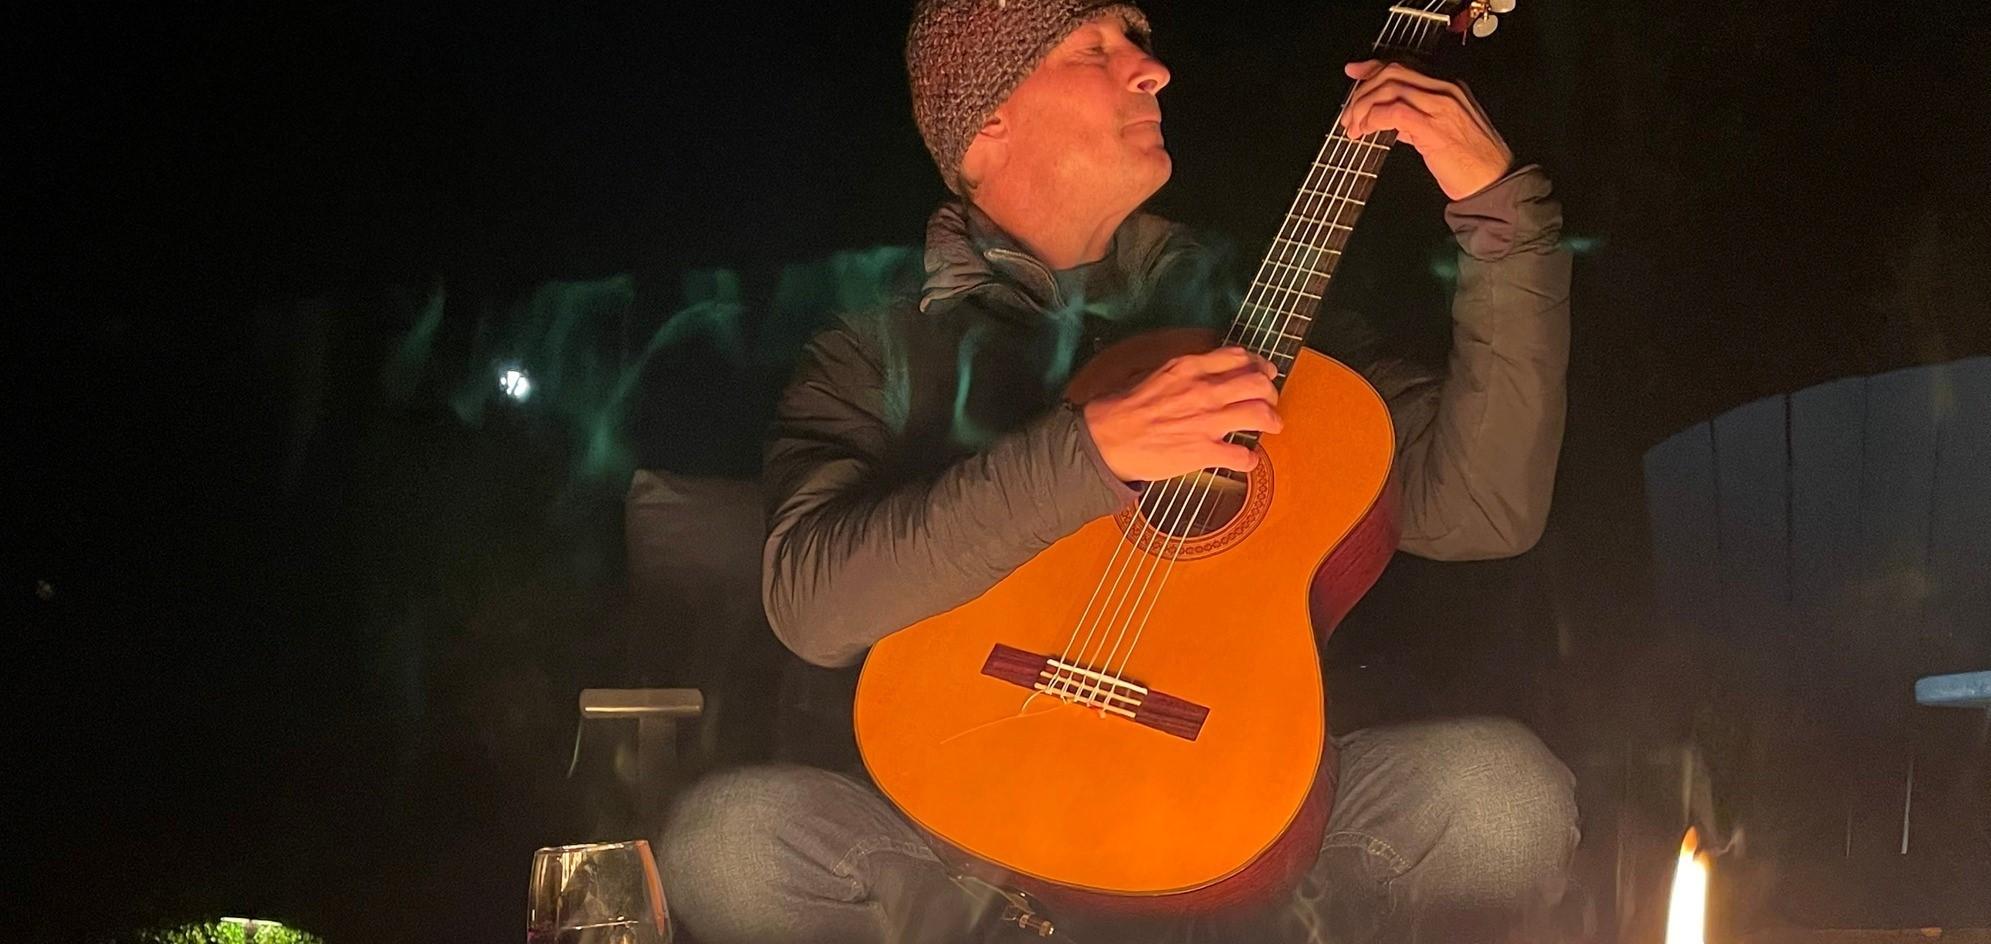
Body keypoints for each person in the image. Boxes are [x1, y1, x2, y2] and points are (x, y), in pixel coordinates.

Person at [657, 1, 1576, 941]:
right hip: (952, 841)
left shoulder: (1259, 315)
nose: (1152, 68)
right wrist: (1089, 454)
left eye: (1138, 42)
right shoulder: (876, 348)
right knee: (735, 837)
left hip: (1251, 825)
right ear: (987, 120)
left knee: (1496, 796)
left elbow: (1481, 509)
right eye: (1094, 48)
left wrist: (1500, 217)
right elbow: (812, 606)